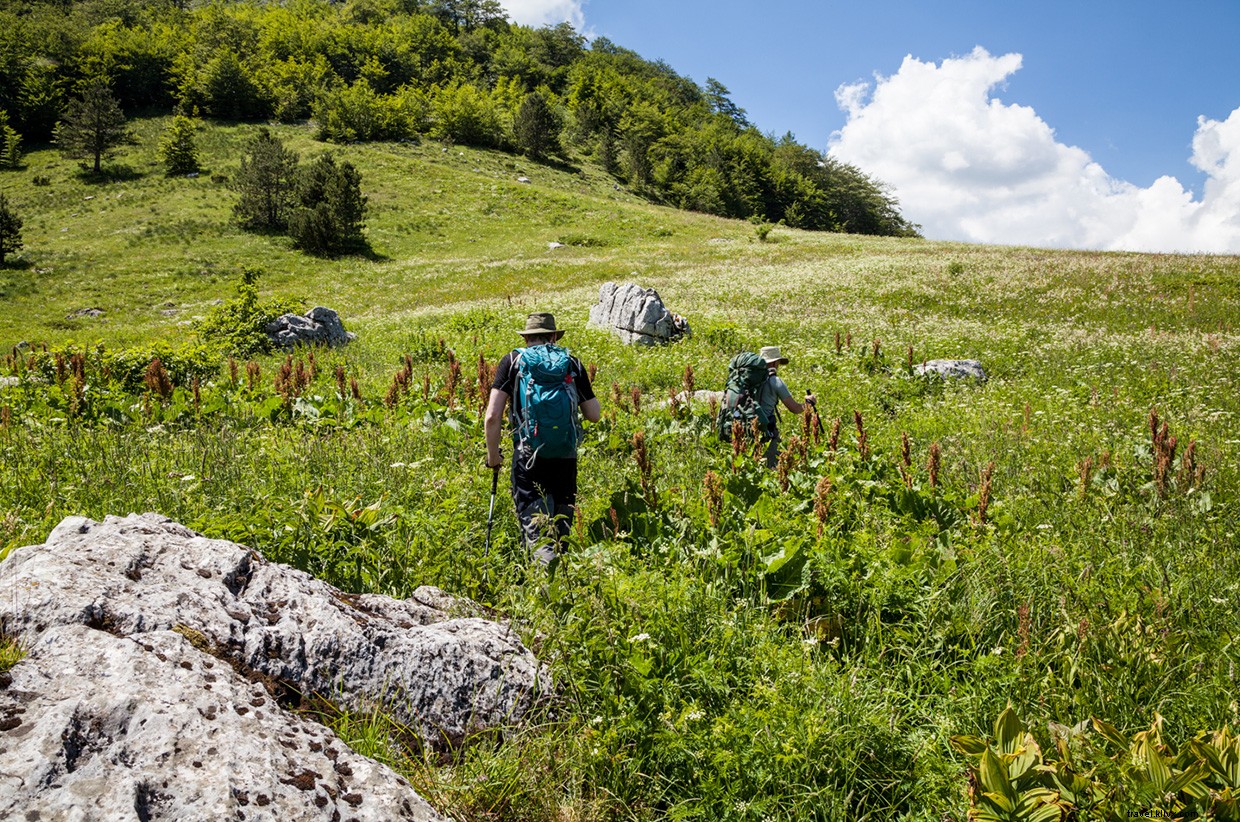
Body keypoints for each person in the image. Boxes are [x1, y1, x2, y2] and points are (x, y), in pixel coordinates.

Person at [485, 312, 601, 565]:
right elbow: (593, 415)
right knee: (561, 527)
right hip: (565, 455)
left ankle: (547, 588)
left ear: (527, 338)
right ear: (553, 336)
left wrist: (493, 456)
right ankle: (564, 584)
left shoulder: (513, 360)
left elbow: (492, 417)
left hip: (528, 457)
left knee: (537, 531)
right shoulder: (571, 362)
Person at [755, 345, 815, 468]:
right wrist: (809, 403)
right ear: (775, 362)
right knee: (773, 467)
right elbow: (794, 408)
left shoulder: (752, 379)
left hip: (747, 427)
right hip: (766, 429)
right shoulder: (775, 381)